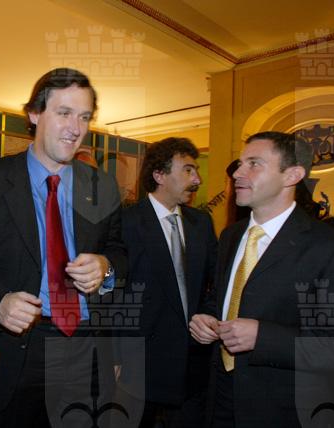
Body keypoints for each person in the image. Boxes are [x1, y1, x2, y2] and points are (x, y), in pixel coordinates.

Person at [0, 68, 127, 428]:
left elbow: (120, 253)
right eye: (64, 113)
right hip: (19, 348)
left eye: (84, 117)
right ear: (35, 113)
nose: (75, 128)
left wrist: (106, 267)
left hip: (88, 347)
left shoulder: (102, 186)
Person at [189, 131, 334, 427]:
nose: (238, 173)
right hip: (220, 397)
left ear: (292, 175)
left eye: (254, 164)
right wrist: (206, 318)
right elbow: (222, 298)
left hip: (286, 410)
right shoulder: (231, 235)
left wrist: (263, 337)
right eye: (240, 164)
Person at [118, 137, 217, 427]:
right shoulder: (125, 223)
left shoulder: (201, 223)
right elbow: (112, 294)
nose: (197, 179)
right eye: (188, 170)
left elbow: (217, 281)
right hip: (141, 363)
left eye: (196, 171)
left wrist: (208, 316)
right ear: (159, 175)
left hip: (193, 363)